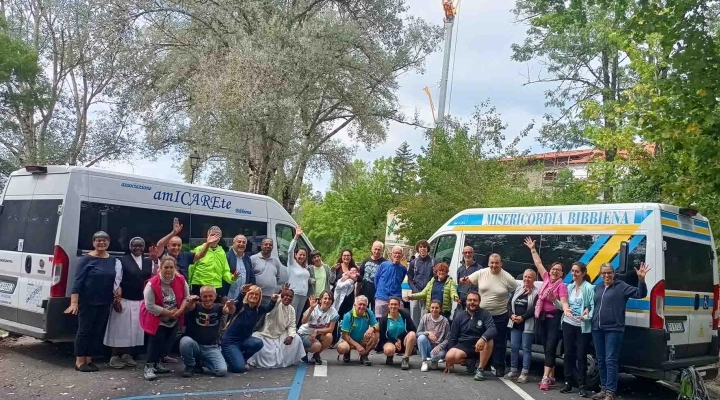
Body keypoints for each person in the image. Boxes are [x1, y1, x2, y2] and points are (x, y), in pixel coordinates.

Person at [65, 231, 122, 372]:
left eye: (104, 240)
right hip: (87, 301)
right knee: (84, 331)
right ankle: (79, 361)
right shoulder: (86, 260)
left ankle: (89, 360)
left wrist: (118, 292)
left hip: (104, 302)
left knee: (96, 331)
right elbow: (77, 282)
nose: (101, 243)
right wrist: (74, 303)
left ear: (109, 242)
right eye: (98, 240)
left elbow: (116, 280)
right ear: (93, 242)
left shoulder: (112, 260)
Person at [591, 262, 649, 400]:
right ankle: (603, 389)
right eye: (604, 273)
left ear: (614, 273)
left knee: (610, 360)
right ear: (600, 275)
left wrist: (641, 280)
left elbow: (640, 293)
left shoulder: (621, 287)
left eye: (609, 272)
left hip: (614, 328)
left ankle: (611, 392)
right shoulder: (597, 288)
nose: (606, 275)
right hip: (597, 328)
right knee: (601, 359)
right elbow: (593, 305)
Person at [523, 239, 572, 390]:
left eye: (558, 270)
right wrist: (532, 249)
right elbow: (538, 263)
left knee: (550, 348)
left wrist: (558, 302)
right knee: (545, 347)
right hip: (541, 318)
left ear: (562, 274)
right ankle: (551, 375)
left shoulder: (562, 286)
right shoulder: (545, 279)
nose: (554, 271)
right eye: (553, 269)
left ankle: (545, 378)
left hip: (553, 319)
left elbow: (563, 303)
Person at [459, 253, 518, 377]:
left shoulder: (508, 278)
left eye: (497, 263)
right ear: (488, 263)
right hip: (482, 315)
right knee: (478, 339)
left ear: (501, 263)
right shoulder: (482, 273)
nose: (494, 265)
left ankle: (499, 366)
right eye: (492, 263)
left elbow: (515, 292)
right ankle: (481, 365)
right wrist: (463, 280)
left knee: (500, 342)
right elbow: (468, 280)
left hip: (500, 315)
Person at [105, 237, 153, 369]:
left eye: (140, 246)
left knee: (134, 330)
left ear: (144, 247)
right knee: (120, 329)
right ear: (130, 247)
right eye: (134, 246)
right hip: (125, 299)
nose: (137, 248)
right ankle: (114, 357)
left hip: (140, 300)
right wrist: (116, 298)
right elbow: (117, 280)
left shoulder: (148, 262)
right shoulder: (122, 261)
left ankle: (127, 355)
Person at [140, 256, 189, 381]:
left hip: (174, 317)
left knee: (166, 342)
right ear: (160, 268)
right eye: (166, 267)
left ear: (175, 268)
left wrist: (179, 311)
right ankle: (149, 366)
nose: (168, 270)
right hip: (157, 317)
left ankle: (157, 365)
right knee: (155, 342)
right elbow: (149, 305)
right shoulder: (151, 284)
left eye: (171, 267)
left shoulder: (181, 280)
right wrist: (167, 312)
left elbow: (186, 298)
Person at [556, 261, 595, 397]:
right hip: (568, 323)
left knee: (581, 356)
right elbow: (563, 306)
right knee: (568, 354)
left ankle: (582, 386)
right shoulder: (569, 287)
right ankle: (568, 383)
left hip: (582, 327)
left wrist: (587, 316)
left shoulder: (589, 288)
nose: (574, 274)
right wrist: (554, 300)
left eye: (577, 271)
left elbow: (592, 306)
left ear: (583, 273)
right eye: (572, 271)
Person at [220, 284, 278, 373]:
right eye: (251, 293)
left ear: (259, 297)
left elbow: (268, 308)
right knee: (239, 368)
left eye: (256, 294)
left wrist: (273, 300)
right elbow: (237, 302)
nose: (254, 296)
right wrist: (242, 292)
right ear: (247, 295)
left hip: (244, 340)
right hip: (230, 342)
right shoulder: (241, 306)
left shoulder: (257, 309)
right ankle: (225, 355)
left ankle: (242, 358)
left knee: (258, 343)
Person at [179, 286, 234, 377]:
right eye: (205, 296)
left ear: (215, 296)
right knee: (185, 341)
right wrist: (191, 300)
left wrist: (231, 306)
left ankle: (202, 362)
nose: (208, 299)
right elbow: (190, 306)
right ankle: (190, 366)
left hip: (211, 347)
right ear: (200, 296)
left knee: (222, 371)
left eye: (210, 296)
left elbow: (228, 310)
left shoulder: (219, 307)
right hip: (195, 345)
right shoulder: (196, 306)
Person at [440, 291, 496, 381]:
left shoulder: (485, 314)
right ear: (466, 302)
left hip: (480, 346)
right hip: (464, 345)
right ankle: (469, 362)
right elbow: (453, 337)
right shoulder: (459, 316)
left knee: (489, 340)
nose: (472, 302)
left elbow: (493, 329)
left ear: (479, 302)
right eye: (470, 300)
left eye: (475, 300)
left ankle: (480, 369)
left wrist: (483, 338)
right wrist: (448, 361)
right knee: (449, 357)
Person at [248, 287, 306, 368]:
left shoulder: (291, 309)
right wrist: (279, 297)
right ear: (282, 296)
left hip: (279, 335)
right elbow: (274, 306)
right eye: (286, 295)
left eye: (290, 297)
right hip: (266, 335)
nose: (288, 298)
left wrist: (291, 336)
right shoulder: (275, 305)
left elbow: (292, 325)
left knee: (296, 338)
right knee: (256, 342)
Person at [506, 269, 538, 384]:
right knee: (514, 347)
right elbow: (509, 304)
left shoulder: (536, 293)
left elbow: (534, 309)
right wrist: (511, 315)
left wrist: (522, 317)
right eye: (525, 277)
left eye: (529, 277)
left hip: (527, 324)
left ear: (534, 279)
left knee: (526, 349)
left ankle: (524, 373)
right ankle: (513, 370)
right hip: (515, 323)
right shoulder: (518, 289)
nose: (526, 279)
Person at [189, 226, 238, 302]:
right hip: (199, 285)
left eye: (217, 235)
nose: (215, 238)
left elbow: (225, 271)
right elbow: (191, 269)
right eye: (212, 235)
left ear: (220, 237)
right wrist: (189, 286)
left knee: (215, 311)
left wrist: (232, 277)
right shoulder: (199, 249)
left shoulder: (222, 252)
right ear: (207, 236)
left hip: (216, 287)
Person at [337, 295, 379, 366]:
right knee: (342, 348)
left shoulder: (369, 313)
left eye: (364, 305)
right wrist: (357, 345)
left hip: (362, 339)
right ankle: (346, 353)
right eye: (360, 304)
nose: (362, 307)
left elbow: (377, 326)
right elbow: (344, 335)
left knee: (376, 334)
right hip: (348, 340)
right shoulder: (348, 315)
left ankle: (364, 355)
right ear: (354, 305)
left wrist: (372, 328)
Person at [298, 291, 338, 365]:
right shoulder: (314, 308)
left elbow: (330, 329)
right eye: (325, 298)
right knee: (317, 346)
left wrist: (317, 331)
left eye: (329, 299)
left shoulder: (333, 312)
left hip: (316, 334)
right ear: (320, 300)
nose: (327, 301)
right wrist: (311, 308)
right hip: (304, 334)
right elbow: (303, 321)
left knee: (329, 336)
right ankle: (302, 351)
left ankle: (316, 355)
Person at [378, 297, 417, 370]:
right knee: (389, 350)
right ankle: (390, 356)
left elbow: (413, 329)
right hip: (389, 341)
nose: (393, 306)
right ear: (388, 305)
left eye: (395, 304)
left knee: (412, 334)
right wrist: (394, 341)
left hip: (403, 340)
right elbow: (383, 335)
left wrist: (400, 339)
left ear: (399, 306)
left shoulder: (405, 315)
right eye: (391, 304)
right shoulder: (384, 319)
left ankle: (406, 358)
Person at [331, 249, 358, 345]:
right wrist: (334, 271)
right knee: (334, 317)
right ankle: (332, 340)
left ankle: (343, 340)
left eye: (348, 255)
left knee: (346, 319)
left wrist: (349, 277)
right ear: (341, 256)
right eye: (344, 255)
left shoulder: (354, 268)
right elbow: (331, 281)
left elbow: (356, 279)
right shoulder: (337, 267)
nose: (346, 257)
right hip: (337, 297)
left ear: (351, 257)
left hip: (348, 297)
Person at [416, 300, 450, 372]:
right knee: (421, 338)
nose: (434, 310)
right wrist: (427, 333)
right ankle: (424, 361)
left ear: (440, 309)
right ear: (429, 308)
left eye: (437, 308)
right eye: (432, 307)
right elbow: (418, 333)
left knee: (434, 356)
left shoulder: (445, 321)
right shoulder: (425, 317)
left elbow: (447, 338)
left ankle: (434, 361)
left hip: (439, 347)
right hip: (428, 346)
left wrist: (439, 347)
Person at [374, 246, 407, 319]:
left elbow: (400, 281)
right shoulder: (383, 265)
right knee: (379, 320)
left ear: (402, 255)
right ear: (391, 254)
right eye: (395, 253)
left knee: (399, 318)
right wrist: (380, 291)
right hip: (381, 297)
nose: (397, 255)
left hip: (396, 297)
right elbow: (376, 279)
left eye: (399, 253)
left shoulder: (403, 269)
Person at [407, 240, 435, 325]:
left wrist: (426, 292)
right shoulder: (413, 262)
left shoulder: (433, 262)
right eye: (420, 247)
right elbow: (410, 279)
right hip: (415, 294)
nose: (422, 249)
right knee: (414, 319)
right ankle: (414, 336)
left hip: (427, 295)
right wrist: (416, 292)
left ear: (428, 249)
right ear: (418, 249)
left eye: (424, 247)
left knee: (425, 319)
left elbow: (435, 279)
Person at [287, 227, 311, 324]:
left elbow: (305, 278)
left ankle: (293, 335)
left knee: (297, 318)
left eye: (304, 255)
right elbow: (290, 251)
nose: (302, 257)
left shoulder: (305, 268)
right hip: (294, 294)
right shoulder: (292, 264)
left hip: (303, 295)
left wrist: (311, 280)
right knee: (290, 317)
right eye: (300, 254)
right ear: (295, 255)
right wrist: (297, 236)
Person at [251, 238, 284, 305]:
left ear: (272, 247)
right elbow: (249, 276)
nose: (268, 246)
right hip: (255, 295)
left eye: (270, 245)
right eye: (266, 244)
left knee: (265, 315)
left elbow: (277, 277)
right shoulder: (253, 259)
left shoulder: (276, 261)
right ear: (261, 246)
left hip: (269, 296)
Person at [356, 242, 385, 313]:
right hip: (364, 292)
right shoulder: (366, 261)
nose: (377, 251)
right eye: (375, 249)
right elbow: (360, 277)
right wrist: (357, 292)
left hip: (377, 294)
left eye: (379, 249)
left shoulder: (385, 263)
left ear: (382, 251)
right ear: (372, 249)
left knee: (375, 315)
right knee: (362, 313)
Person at [226, 234, 256, 301]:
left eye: (244, 242)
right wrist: (222, 295)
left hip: (242, 298)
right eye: (239, 242)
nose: (241, 244)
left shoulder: (247, 259)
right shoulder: (226, 257)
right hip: (228, 297)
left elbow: (251, 277)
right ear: (233, 243)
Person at [456, 246, 482, 318]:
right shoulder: (460, 269)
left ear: (473, 254)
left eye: (469, 252)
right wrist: (457, 297)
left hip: (473, 303)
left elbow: (481, 287)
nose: (467, 254)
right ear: (462, 254)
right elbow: (458, 285)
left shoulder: (479, 269)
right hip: (461, 304)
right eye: (465, 252)